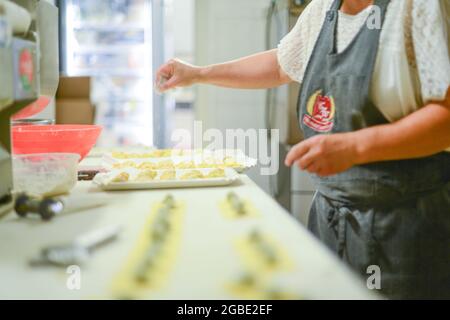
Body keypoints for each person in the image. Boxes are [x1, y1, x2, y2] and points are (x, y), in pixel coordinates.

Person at [156, 0, 450, 299]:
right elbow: (281, 65)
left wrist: (356, 147)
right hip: (331, 217)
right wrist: (199, 74)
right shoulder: (323, 9)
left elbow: (446, 115)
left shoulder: (418, 7)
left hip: (404, 222)